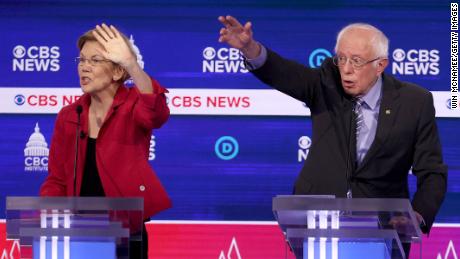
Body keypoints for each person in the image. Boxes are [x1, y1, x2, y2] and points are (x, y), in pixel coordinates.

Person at [218, 15, 447, 256]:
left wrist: (417, 216)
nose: (346, 69)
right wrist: (250, 49)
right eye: (342, 58)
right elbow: (286, 74)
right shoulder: (327, 82)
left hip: (385, 230)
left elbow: (432, 172)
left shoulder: (414, 102)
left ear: (380, 65)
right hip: (316, 223)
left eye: (356, 61)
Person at [40, 24, 171, 259]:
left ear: (117, 72)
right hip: (79, 231)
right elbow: (57, 178)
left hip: (125, 232)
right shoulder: (70, 115)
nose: (84, 68)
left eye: (95, 60)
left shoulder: (133, 106)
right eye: (81, 60)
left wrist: (131, 63)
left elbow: (156, 114)